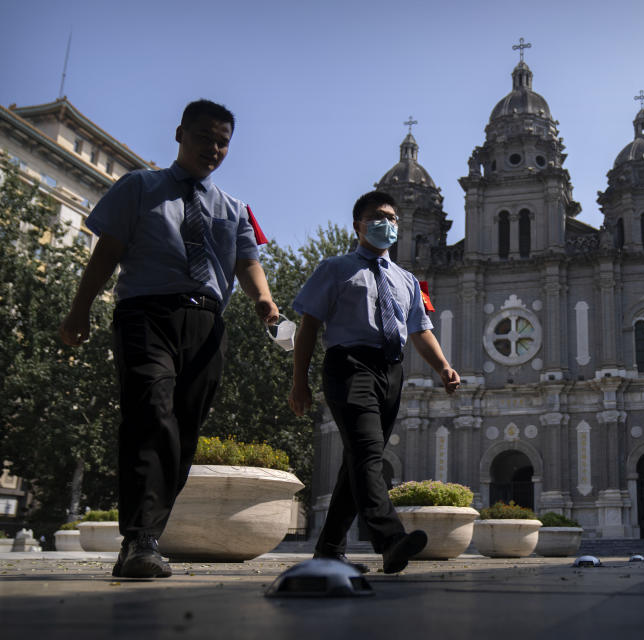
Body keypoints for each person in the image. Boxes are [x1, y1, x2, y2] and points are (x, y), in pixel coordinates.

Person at [59, 99, 279, 578]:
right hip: (146, 314)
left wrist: (263, 299)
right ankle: (138, 539)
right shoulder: (139, 187)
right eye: (204, 137)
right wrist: (79, 310)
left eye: (223, 141)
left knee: (181, 429)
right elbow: (107, 251)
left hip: (205, 325)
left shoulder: (234, 207)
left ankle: (150, 535)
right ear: (180, 134)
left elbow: (247, 261)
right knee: (150, 412)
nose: (214, 148)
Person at [288, 190, 460, 574]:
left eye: (392, 218)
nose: (387, 223)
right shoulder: (334, 268)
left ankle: (329, 549)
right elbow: (309, 326)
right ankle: (390, 539)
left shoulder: (408, 280)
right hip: (349, 365)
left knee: (356, 463)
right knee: (368, 453)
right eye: (378, 216)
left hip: (391, 372)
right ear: (358, 225)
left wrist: (444, 367)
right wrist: (299, 382)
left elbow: (421, 330)